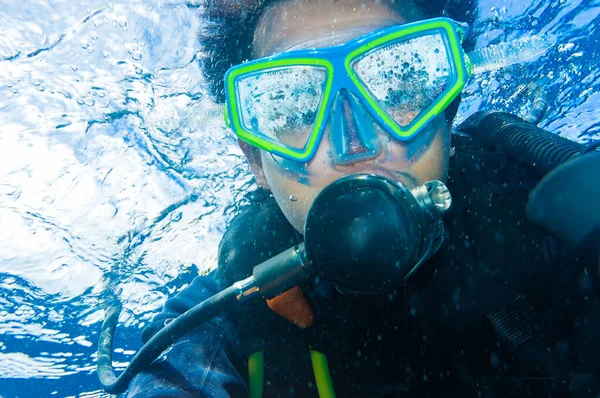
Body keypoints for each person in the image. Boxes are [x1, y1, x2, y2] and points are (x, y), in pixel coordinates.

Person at [124, 0, 600, 396]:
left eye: (398, 81)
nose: (358, 145)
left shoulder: (550, 213)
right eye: (292, 102)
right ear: (255, 161)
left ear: (447, 115)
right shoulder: (227, 308)